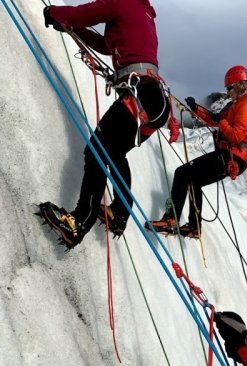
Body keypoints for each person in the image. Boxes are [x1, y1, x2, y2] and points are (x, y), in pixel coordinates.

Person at [40, 0, 170, 248]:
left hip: (139, 93)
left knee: (96, 152)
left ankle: (79, 221)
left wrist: (54, 13)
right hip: (153, 99)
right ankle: (118, 213)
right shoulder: (142, 12)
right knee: (113, 152)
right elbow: (106, 45)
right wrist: (74, 30)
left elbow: (82, 14)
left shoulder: (123, 2)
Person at [147, 65, 247, 239]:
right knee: (194, 181)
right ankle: (194, 227)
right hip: (234, 159)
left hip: (231, 156)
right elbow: (215, 120)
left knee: (182, 172)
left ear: (238, 85)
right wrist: (197, 109)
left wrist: (221, 122)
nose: (228, 92)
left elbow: (236, 135)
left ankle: (172, 219)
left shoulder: (246, 105)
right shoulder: (239, 105)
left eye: (229, 88)